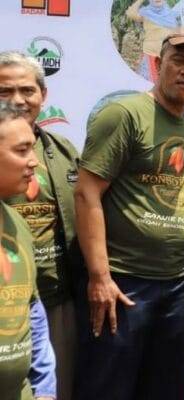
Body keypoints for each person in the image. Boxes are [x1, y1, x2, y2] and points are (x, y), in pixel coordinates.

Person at [73, 30, 184, 400]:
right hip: (122, 283)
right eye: (177, 61)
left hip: (173, 284)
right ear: (156, 64)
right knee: (107, 388)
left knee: (165, 389)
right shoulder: (124, 114)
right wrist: (100, 276)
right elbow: (87, 193)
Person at [0, 51, 80, 400]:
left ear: (43, 96)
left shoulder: (64, 151)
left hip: (52, 295)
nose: (17, 100)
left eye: (27, 90)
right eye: (5, 91)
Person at [0, 100, 55, 400]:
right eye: (21, 151)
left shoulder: (18, 223)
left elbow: (32, 310)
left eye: (33, 148)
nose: (33, 161)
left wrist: (44, 389)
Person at [126, 0, 178, 82]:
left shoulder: (171, 15)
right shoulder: (146, 13)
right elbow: (130, 13)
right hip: (149, 56)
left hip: (167, 58)